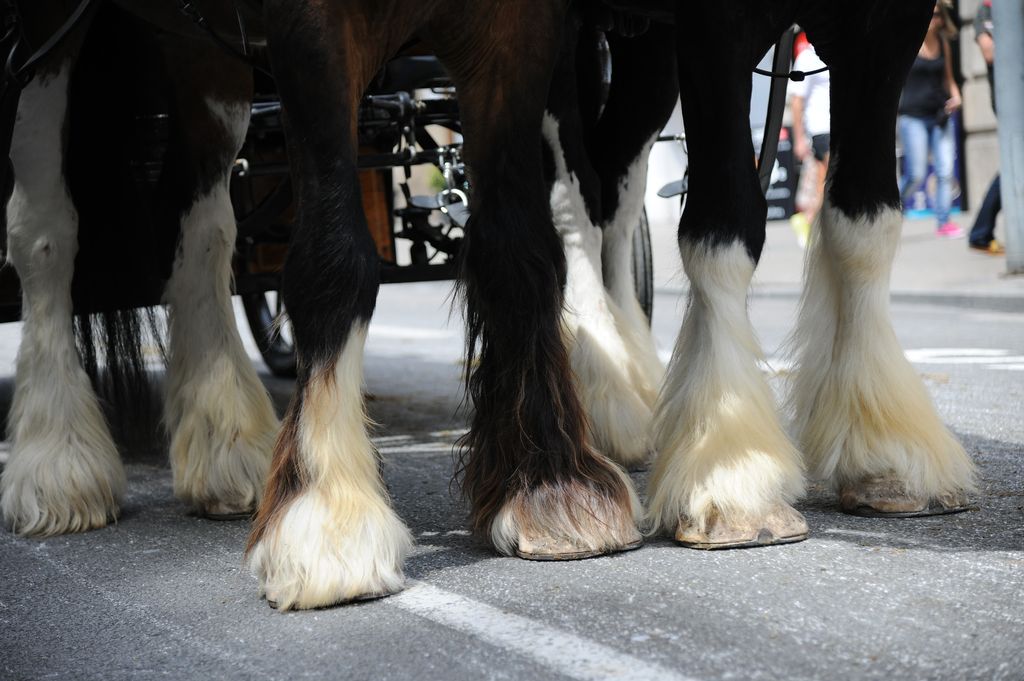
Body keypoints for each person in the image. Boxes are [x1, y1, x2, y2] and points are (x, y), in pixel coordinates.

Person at [898, 0, 963, 238]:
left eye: (937, 15)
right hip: (912, 116)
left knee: (945, 171)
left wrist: (957, 97)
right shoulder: (908, 43)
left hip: (940, 115)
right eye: (930, 14)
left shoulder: (943, 43)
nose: (933, 19)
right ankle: (893, 210)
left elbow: (949, 79)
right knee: (915, 174)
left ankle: (944, 222)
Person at [968, 0, 1004, 255]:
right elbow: (989, 52)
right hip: (1010, 101)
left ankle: (981, 232)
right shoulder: (987, 10)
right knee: (1016, 165)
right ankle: (980, 232)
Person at [789, 36, 830, 247]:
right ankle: (810, 220)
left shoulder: (837, 52)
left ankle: (808, 220)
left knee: (825, 181)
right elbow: (797, 100)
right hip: (819, 128)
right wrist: (799, 139)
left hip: (835, 127)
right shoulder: (806, 58)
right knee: (830, 178)